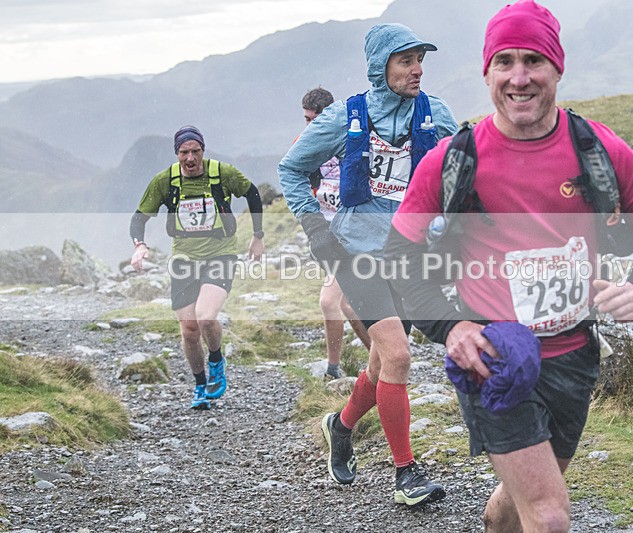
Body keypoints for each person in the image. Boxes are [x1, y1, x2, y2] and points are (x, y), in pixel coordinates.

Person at [384, 1, 633, 531]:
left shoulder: (597, 149)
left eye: (533, 61)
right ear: (487, 72)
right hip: (493, 360)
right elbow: (398, 259)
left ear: (556, 69)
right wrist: (450, 326)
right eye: (504, 62)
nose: (519, 78)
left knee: (521, 501)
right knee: (548, 516)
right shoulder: (454, 160)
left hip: (573, 356)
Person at [278, 23, 458, 506]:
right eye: (406, 61)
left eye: (421, 59)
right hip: (356, 255)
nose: (418, 69)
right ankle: (406, 476)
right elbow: (290, 170)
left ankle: (341, 426)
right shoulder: (344, 117)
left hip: (413, 255)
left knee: (381, 364)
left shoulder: (436, 114)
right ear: (382, 67)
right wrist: (317, 231)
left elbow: (457, 176)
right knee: (398, 355)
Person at [130, 125, 264, 410]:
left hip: (221, 254)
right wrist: (139, 245)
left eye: (195, 151)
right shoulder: (165, 181)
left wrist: (258, 237)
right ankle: (200, 384)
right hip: (184, 260)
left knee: (205, 317)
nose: (190, 158)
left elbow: (252, 194)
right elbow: (139, 217)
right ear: (176, 153)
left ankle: (216, 360)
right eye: (184, 152)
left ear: (203, 150)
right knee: (189, 329)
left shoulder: (221, 173)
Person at [300, 86, 372, 379]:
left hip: (355, 237)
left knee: (329, 301)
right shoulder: (305, 148)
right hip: (328, 239)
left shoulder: (353, 145)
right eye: (305, 120)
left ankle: (333, 369)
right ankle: (387, 357)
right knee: (347, 303)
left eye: (313, 120)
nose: (308, 127)